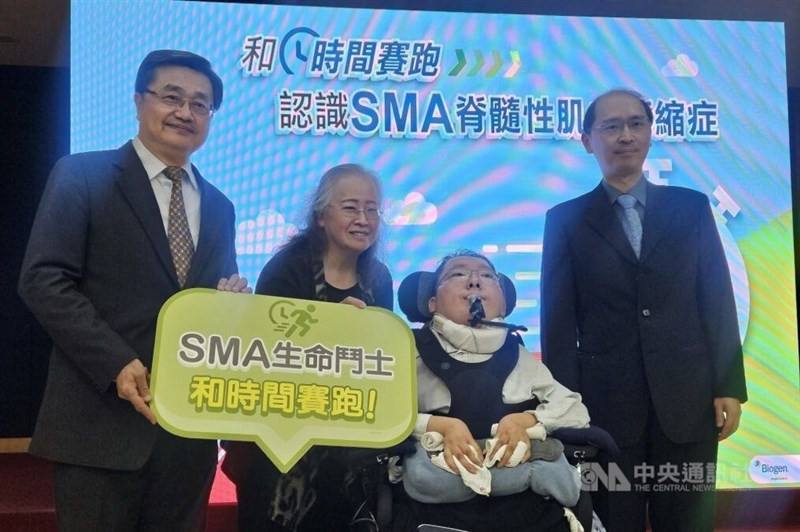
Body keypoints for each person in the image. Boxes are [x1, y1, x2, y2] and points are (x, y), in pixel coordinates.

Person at [17, 50, 247, 531]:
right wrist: (116, 362)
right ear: (139, 101)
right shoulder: (82, 175)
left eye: (201, 104)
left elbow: (201, 305)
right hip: (98, 425)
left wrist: (230, 310)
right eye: (172, 97)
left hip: (187, 435)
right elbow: (44, 279)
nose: (185, 112)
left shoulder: (221, 206)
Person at [540, 88, 747, 531]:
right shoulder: (565, 220)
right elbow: (557, 325)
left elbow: (715, 298)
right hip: (604, 409)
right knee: (614, 520)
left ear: (651, 133)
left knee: (689, 520)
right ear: (587, 140)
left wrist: (728, 384)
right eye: (611, 126)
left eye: (636, 123)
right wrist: (564, 409)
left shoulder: (690, 208)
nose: (625, 135)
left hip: (688, 400)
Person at [222, 163, 393, 532]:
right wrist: (332, 329)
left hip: (349, 442)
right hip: (282, 446)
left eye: (372, 209)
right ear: (320, 216)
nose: (363, 218)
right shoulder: (286, 269)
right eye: (350, 207)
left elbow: (382, 363)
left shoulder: (379, 278)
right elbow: (266, 357)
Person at [402, 250, 589, 509]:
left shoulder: (518, 355)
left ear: (503, 303)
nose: (475, 281)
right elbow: (380, 413)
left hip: (517, 501)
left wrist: (525, 421)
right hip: (438, 494)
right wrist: (440, 426)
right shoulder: (408, 349)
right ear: (432, 302)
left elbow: (574, 410)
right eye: (457, 274)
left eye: (488, 276)